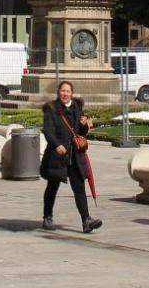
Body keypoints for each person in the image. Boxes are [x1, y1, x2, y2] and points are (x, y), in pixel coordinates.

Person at [39, 81, 102, 234]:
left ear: (71, 93)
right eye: (63, 91)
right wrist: (56, 145)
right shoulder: (51, 109)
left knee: (79, 187)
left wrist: (85, 125)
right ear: (58, 92)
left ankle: (86, 220)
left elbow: (81, 132)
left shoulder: (76, 108)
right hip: (57, 156)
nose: (65, 94)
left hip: (75, 155)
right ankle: (47, 217)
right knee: (52, 187)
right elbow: (48, 131)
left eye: (68, 91)